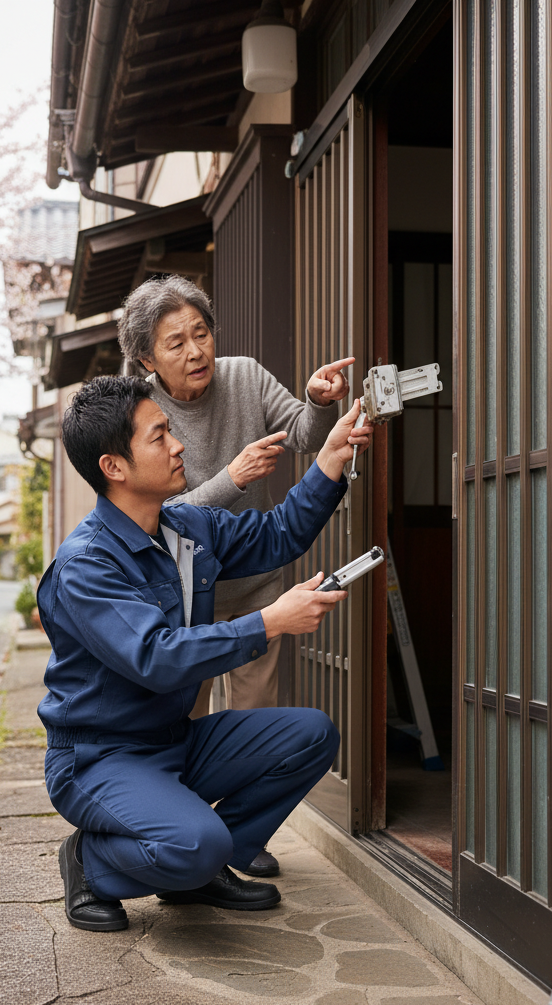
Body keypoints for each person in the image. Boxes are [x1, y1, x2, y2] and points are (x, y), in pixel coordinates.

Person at [37, 374, 372, 932]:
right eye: (158, 436)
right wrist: (267, 623)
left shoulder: (187, 526)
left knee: (310, 735)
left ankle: (200, 870)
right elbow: (156, 657)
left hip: (173, 742)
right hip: (99, 759)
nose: (178, 445)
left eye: (170, 431)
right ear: (113, 468)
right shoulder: (86, 566)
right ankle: (91, 861)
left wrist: (331, 458)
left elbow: (279, 536)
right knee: (196, 842)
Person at [118, 276, 353, 877]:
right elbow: (156, 516)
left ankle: (243, 835)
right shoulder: (139, 411)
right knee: (184, 718)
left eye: (202, 333)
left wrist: (318, 400)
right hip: (180, 591)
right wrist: (234, 477)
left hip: (253, 577)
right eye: (176, 343)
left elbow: (302, 434)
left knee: (256, 717)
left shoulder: (244, 375)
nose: (196, 351)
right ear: (147, 358)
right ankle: (190, 835)